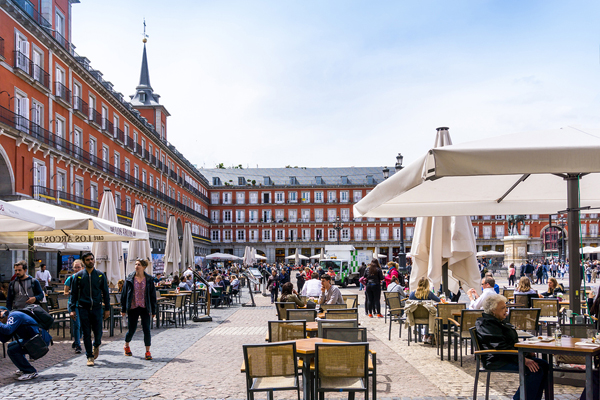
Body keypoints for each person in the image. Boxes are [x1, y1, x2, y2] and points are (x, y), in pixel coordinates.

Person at [475, 294, 549, 400]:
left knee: (544, 365)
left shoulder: (499, 322)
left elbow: (510, 343)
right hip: (497, 360)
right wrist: (523, 359)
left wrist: (526, 353)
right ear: (493, 310)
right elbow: (500, 347)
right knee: (535, 370)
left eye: (506, 307)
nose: (506, 310)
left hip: (508, 356)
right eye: (503, 308)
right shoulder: (486, 324)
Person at [68, 252, 110, 367]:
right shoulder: (79, 276)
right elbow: (73, 294)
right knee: (86, 333)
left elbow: (106, 293)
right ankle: (89, 356)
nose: (90, 261)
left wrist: (107, 308)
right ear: (84, 262)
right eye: (87, 260)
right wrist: (72, 309)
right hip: (83, 308)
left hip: (97, 308)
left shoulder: (100, 275)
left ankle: (96, 344)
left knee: (98, 332)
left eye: (92, 259)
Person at [0, 306, 52, 380]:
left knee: (12, 351)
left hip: (39, 340)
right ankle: (23, 368)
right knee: (11, 345)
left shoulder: (14, 315)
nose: (1, 321)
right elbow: (5, 338)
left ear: (5, 312)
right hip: (34, 339)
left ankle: (30, 371)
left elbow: (8, 330)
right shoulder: (12, 319)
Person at [121, 259, 157, 360]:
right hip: (133, 307)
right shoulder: (130, 278)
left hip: (145, 307)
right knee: (132, 329)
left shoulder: (149, 279)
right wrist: (123, 308)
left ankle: (147, 351)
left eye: (139, 265)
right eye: (136, 264)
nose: (136, 266)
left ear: (144, 267)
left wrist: (153, 310)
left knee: (147, 329)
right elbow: (124, 294)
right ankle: (126, 345)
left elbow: (152, 295)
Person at [408, 277, 440, 343]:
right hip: (427, 317)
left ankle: (425, 335)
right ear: (427, 285)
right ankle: (430, 336)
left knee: (429, 314)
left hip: (414, 317)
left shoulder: (412, 293)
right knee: (433, 315)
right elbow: (438, 300)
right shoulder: (429, 293)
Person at [64, 259, 83, 354]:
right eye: (75, 267)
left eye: (78, 267)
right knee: (77, 325)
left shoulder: (85, 278)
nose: (77, 269)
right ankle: (78, 345)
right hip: (73, 304)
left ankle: (76, 340)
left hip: (83, 305)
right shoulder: (70, 279)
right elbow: (65, 292)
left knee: (82, 325)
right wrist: (72, 292)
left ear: (82, 267)